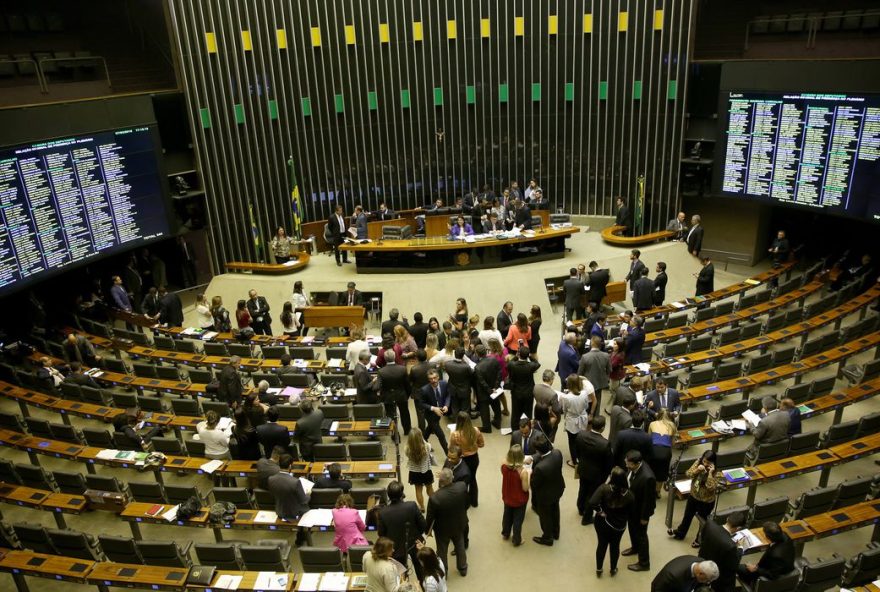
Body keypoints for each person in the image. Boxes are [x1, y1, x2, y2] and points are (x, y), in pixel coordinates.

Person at [669, 450, 723, 543]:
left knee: (702, 522)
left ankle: (699, 540)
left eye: (708, 462)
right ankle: (680, 533)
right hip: (693, 496)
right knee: (687, 516)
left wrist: (710, 473)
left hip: (706, 501)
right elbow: (688, 474)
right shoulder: (698, 462)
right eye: (704, 461)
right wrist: (697, 470)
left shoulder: (717, 472)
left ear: (713, 463)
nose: (705, 464)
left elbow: (711, 487)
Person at [590, 466, 635, 577]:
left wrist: (600, 511)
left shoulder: (604, 489)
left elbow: (592, 502)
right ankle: (613, 569)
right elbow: (631, 511)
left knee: (601, 545)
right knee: (615, 546)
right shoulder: (629, 495)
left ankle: (599, 569)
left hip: (603, 523)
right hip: (619, 526)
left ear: (612, 478)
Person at [378, 481, 427, 580]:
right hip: (415, 543)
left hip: (395, 547)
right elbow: (423, 525)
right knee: (420, 570)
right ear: (402, 494)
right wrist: (417, 535)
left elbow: (381, 534)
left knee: (401, 575)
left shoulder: (383, 512)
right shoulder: (412, 506)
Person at [425, 468, 469, 577]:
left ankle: (443, 572)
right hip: (459, 523)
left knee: (442, 550)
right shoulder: (462, 486)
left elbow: (430, 517)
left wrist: (427, 531)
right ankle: (462, 568)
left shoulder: (434, 497)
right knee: (460, 544)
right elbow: (467, 503)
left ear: (440, 481)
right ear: (452, 477)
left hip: (442, 529)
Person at [623, 450, 656, 571]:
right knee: (632, 529)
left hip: (640, 512)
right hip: (632, 508)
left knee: (641, 535)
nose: (626, 465)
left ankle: (644, 563)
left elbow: (648, 501)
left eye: (629, 464)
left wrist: (644, 518)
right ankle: (634, 547)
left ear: (637, 463)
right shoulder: (633, 469)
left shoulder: (648, 478)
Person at [529, 432, 565, 546]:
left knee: (545, 516)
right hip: (558, 489)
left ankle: (547, 537)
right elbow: (544, 456)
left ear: (538, 451)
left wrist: (529, 472)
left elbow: (534, 484)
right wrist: (532, 458)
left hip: (545, 495)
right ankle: (556, 532)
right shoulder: (557, 453)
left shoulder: (539, 468)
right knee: (555, 510)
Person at [576, 415, 613, 524]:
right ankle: (587, 518)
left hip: (583, 469)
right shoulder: (605, 444)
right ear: (602, 428)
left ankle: (580, 508)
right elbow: (608, 464)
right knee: (592, 496)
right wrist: (605, 476)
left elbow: (577, 451)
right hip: (597, 475)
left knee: (582, 489)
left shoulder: (581, 435)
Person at [267, 454, 310, 545]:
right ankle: (301, 537)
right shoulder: (295, 482)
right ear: (290, 465)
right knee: (308, 503)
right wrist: (308, 493)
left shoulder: (271, 479)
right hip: (294, 513)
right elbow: (304, 500)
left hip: (279, 510)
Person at [699, 511, 746, 592]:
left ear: (727, 518)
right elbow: (733, 566)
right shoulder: (731, 546)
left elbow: (702, 539)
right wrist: (740, 548)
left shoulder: (709, 524)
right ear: (738, 528)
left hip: (702, 561)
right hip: (718, 576)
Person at [736, 521, 796, 585]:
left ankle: (751, 583)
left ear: (767, 537)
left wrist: (756, 569)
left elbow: (773, 575)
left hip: (773, 572)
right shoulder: (785, 536)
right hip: (783, 564)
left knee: (737, 567)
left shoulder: (776, 555)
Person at [449, 411, 484, 507]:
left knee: (462, 482)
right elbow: (482, 444)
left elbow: (451, 448)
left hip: (462, 460)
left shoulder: (455, 434)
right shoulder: (476, 430)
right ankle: (474, 502)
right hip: (474, 459)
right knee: (473, 479)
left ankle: (464, 503)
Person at [559, 374, 594, 468]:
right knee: (581, 438)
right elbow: (586, 406)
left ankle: (574, 462)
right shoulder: (584, 393)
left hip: (572, 420)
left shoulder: (566, 397)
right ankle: (581, 456)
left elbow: (564, 410)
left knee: (572, 441)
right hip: (583, 418)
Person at [500, 443, 530, 547]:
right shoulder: (523, 472)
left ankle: (505, 533)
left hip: (507, 496)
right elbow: (525, 488)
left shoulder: (504, 465)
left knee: (507, 516)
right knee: (518, 520)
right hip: (519, 500)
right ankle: (517, 540)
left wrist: (519, 461)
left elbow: (508, 463)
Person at [378, 350, 412, 435]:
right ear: (394, 357)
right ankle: (407, 430)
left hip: (388, 396)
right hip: (401, 395)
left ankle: (394, 433)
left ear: (385, 359)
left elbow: (379, 386)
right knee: (405, 413)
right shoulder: (402, 369)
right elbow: (407, 384)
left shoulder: (381, 371)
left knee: (390, 415)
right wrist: (407, 395)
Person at [507, 347, 540, 430]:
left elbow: (509, 363)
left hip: (516, 392)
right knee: (528, 412)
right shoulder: (531, 366)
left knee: (515, 412)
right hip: (528, 393)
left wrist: (515, 356)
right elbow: (537, 363)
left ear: (519, 354)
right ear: (527, 355)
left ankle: (515, 429)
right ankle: (527, 428)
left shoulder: (512, 365)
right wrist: (530, 356)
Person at [578, 335, 612, 413]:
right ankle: (596, 417)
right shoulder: (606, 355)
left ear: (591, 344)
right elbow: (609, 370)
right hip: (600, 383)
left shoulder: (585, 357)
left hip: (587, 384)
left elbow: (580, 373)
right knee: (597, 401)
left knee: (587, 401)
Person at [473, 344, 502, 432]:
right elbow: (499, 373)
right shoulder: (494, 360)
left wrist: (489, 390)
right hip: (495, 389)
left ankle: (486, 427)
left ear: (477, 354)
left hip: (484, 393)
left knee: (484, 409)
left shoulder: (477, 367)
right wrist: (495, 387)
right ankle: (497, 422)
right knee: (496, 405)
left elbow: (482, 382)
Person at [420, 370, 450, 454]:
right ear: (428, 380)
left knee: (429, 428)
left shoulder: (444, 384)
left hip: (440, 411)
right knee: (441, 435)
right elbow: (421, 404)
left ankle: (422, 441)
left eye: (435, 378)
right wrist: (434, 408)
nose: (433, 380)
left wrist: (446, 405)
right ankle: (448, 455)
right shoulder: (424, 390)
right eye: (431, 379)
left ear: (438, 377)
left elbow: (448, 395)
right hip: (430, 414)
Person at [405, 428, 435, 511]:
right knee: (429, 488)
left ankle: (422, 507)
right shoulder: (427, 447)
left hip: (414, 473)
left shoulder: (407, 449)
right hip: (426, 471)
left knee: (418, 490)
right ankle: (435, 503)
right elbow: (426, 444)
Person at [648, 409, 675, 496]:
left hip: (654, 450)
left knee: (651, 469)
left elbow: (648, 438)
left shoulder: (652, 424)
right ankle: (658, 491)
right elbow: (672, 443)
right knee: (662, 472)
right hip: (665, 452)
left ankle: (650, 489)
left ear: (658, 415)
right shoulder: (672, 426)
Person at [652, 557, 720, 592]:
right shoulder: (672, 576)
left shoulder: (702, 563)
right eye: (707, 580)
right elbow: (659, 589)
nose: (708, 582)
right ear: (700, 574)